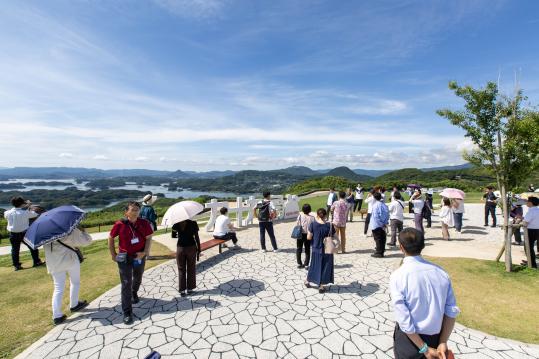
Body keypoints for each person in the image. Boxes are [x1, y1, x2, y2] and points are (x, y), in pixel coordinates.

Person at [390, 228, 460, 359]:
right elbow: (451, 310)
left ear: (401, 247)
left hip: (410, 341)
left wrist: (424, 349)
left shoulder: (398, 276)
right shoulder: (441, 272)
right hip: (436, 337)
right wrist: (443, 341)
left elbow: (404, 320)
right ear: (423, 246)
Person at [108, 201, 153, 325]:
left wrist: (144, 252)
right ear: (126, 212)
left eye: (137, 210)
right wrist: (113, 254)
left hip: (139, 256)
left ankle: (134, 292)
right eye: (133, 210)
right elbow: (111, 238)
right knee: (126, 283)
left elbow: (149, 238)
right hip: (124, 257)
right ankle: (127, 312)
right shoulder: (120, 224)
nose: (135, 212)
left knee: (138, 277)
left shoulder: (144, 223)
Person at [44, 227, 92, 325]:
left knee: (58, 288)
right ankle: (74, 304)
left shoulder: (44, 233)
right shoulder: (66, 230)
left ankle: (57, 315)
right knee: (75, 282)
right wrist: (83, 231)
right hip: (69, 260)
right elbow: (87, 241)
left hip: (54, 263)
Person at [3, 196, 44, 271]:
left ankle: (16, 266)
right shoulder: (25, 212)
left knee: (15, 250)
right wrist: (28, 206)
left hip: (13, 234)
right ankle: (37, 261)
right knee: (32, 247)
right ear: (22, 204)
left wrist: (24, 206)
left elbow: (8, 213)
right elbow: (35, 214)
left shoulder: (8, 213)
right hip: (24, 233)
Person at [305, 208, 335, 293]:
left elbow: (309, 237)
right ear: (326, 215)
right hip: (327, 249)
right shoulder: (330, 225)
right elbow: (335, 236)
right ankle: (321, 285)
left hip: (316, 248)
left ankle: (307, 281)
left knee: (314, 266)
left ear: (317, 215)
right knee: (325, 267)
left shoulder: (313, 224)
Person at [172, 218, 201, 296]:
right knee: (191, 268)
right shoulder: (193, 223)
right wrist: (199, 249)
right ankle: (190, 289)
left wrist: (181, 234)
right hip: (191, 247)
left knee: (181, 269)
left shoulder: (176, 224)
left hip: (180, 248)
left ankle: (182, 290)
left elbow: (173, 236)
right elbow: (196, 237)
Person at [371, 192, 389, 258]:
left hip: (377, 224)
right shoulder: (383, 204)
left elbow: (376, 216)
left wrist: (381, 224)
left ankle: (379, 252)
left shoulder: (375, 205)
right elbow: (387, 214)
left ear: (374, 198)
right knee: (383, 238)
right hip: (383, 224)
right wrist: (385, 223)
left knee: (378, 239)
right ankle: (382, 251)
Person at [522, 196, 539, 268]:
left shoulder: (531, 211)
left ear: (530, 203)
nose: (526, 203)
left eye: (527, 201)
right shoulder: (537, 210)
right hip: (537, 229)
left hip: (531, 230)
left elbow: (526, 222)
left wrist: (521, 220)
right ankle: (530, 261)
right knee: (530, 247)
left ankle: (532, 264)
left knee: (528, 247)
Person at [296, 204, 314, 269]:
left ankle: (299, 263)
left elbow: (297, 224)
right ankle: (306, 264)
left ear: (302, 210)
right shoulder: (312, 218)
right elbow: (313, 227)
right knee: (307, 249)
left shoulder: (300, 216)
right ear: (310, 210)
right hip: (308, 235)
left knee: (299, 248)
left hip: (300, 234)